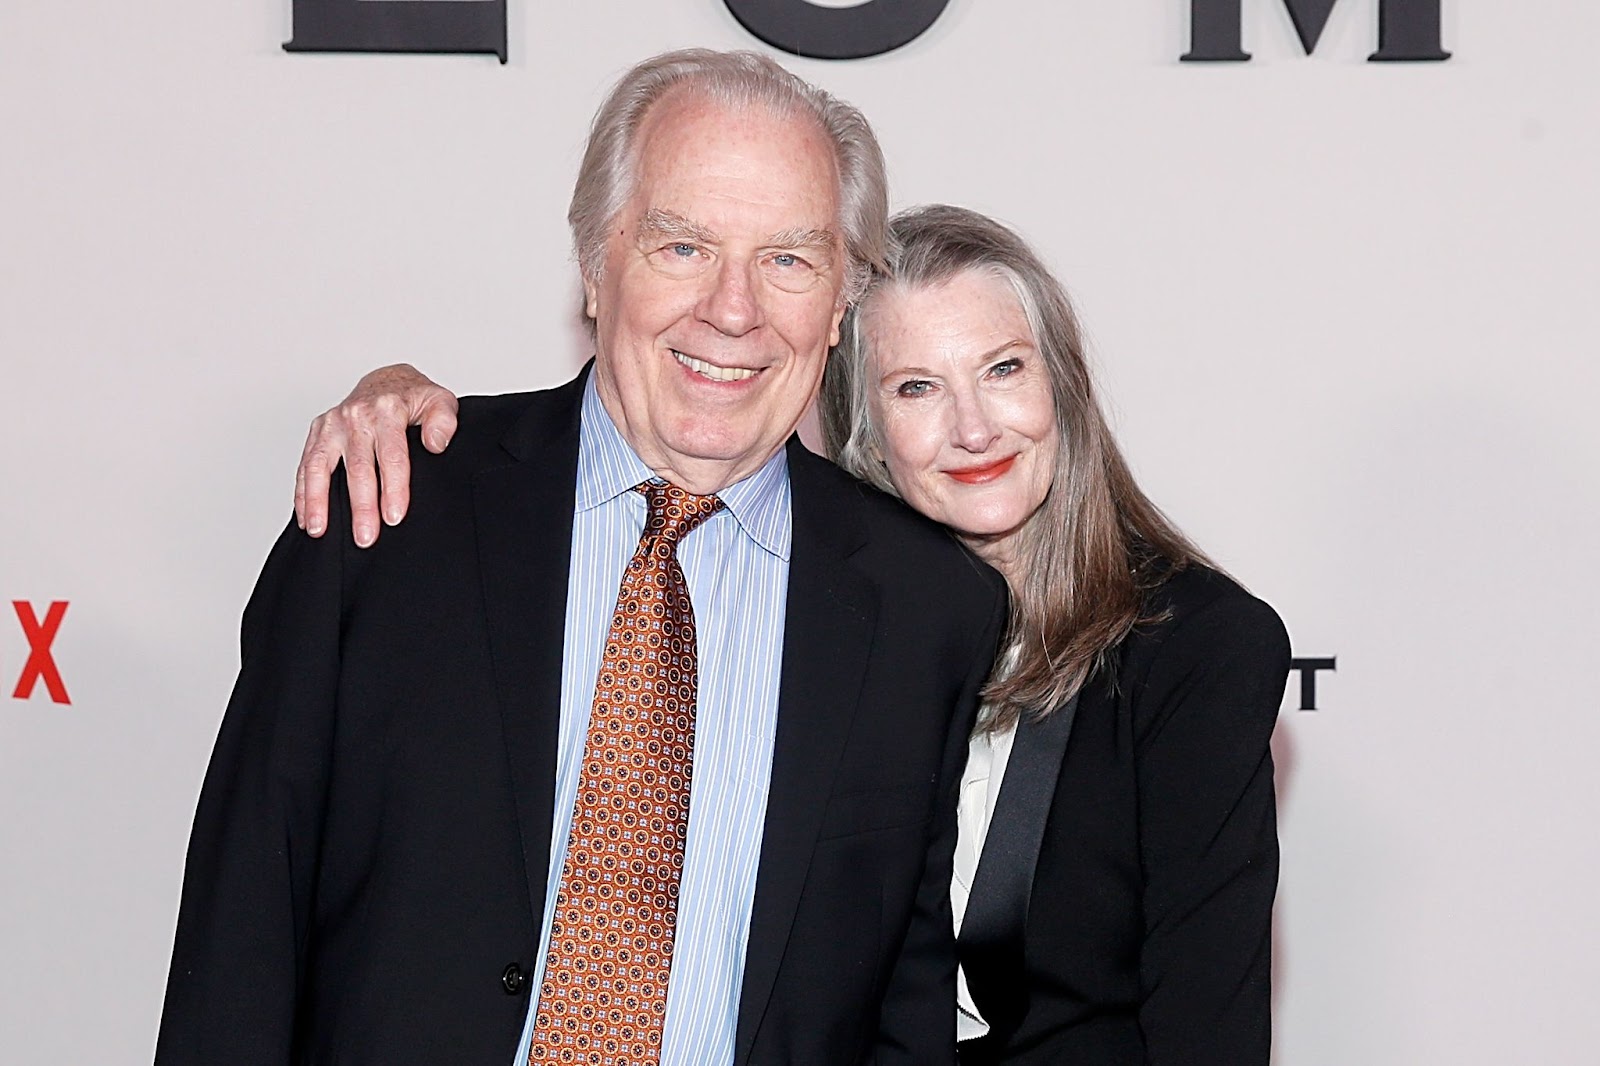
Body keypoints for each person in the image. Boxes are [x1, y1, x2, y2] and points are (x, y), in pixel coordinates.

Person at [157, 51, 1006, 1066]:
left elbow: (899, 1011)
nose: (733, 310)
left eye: (789, 258)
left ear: (840, 302)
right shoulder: (391, 512)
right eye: (681, 246)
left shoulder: (926, 611)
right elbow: (240, 938)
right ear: (594, 267)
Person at [302, 206, 1290, 1064]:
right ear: (855, 423)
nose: (975, 426)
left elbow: (1209, 1024)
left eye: (1002, 369)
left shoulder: (1196, 649)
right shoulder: (823, 615)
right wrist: (394, 393)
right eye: (915, 388)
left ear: (1061, 387)